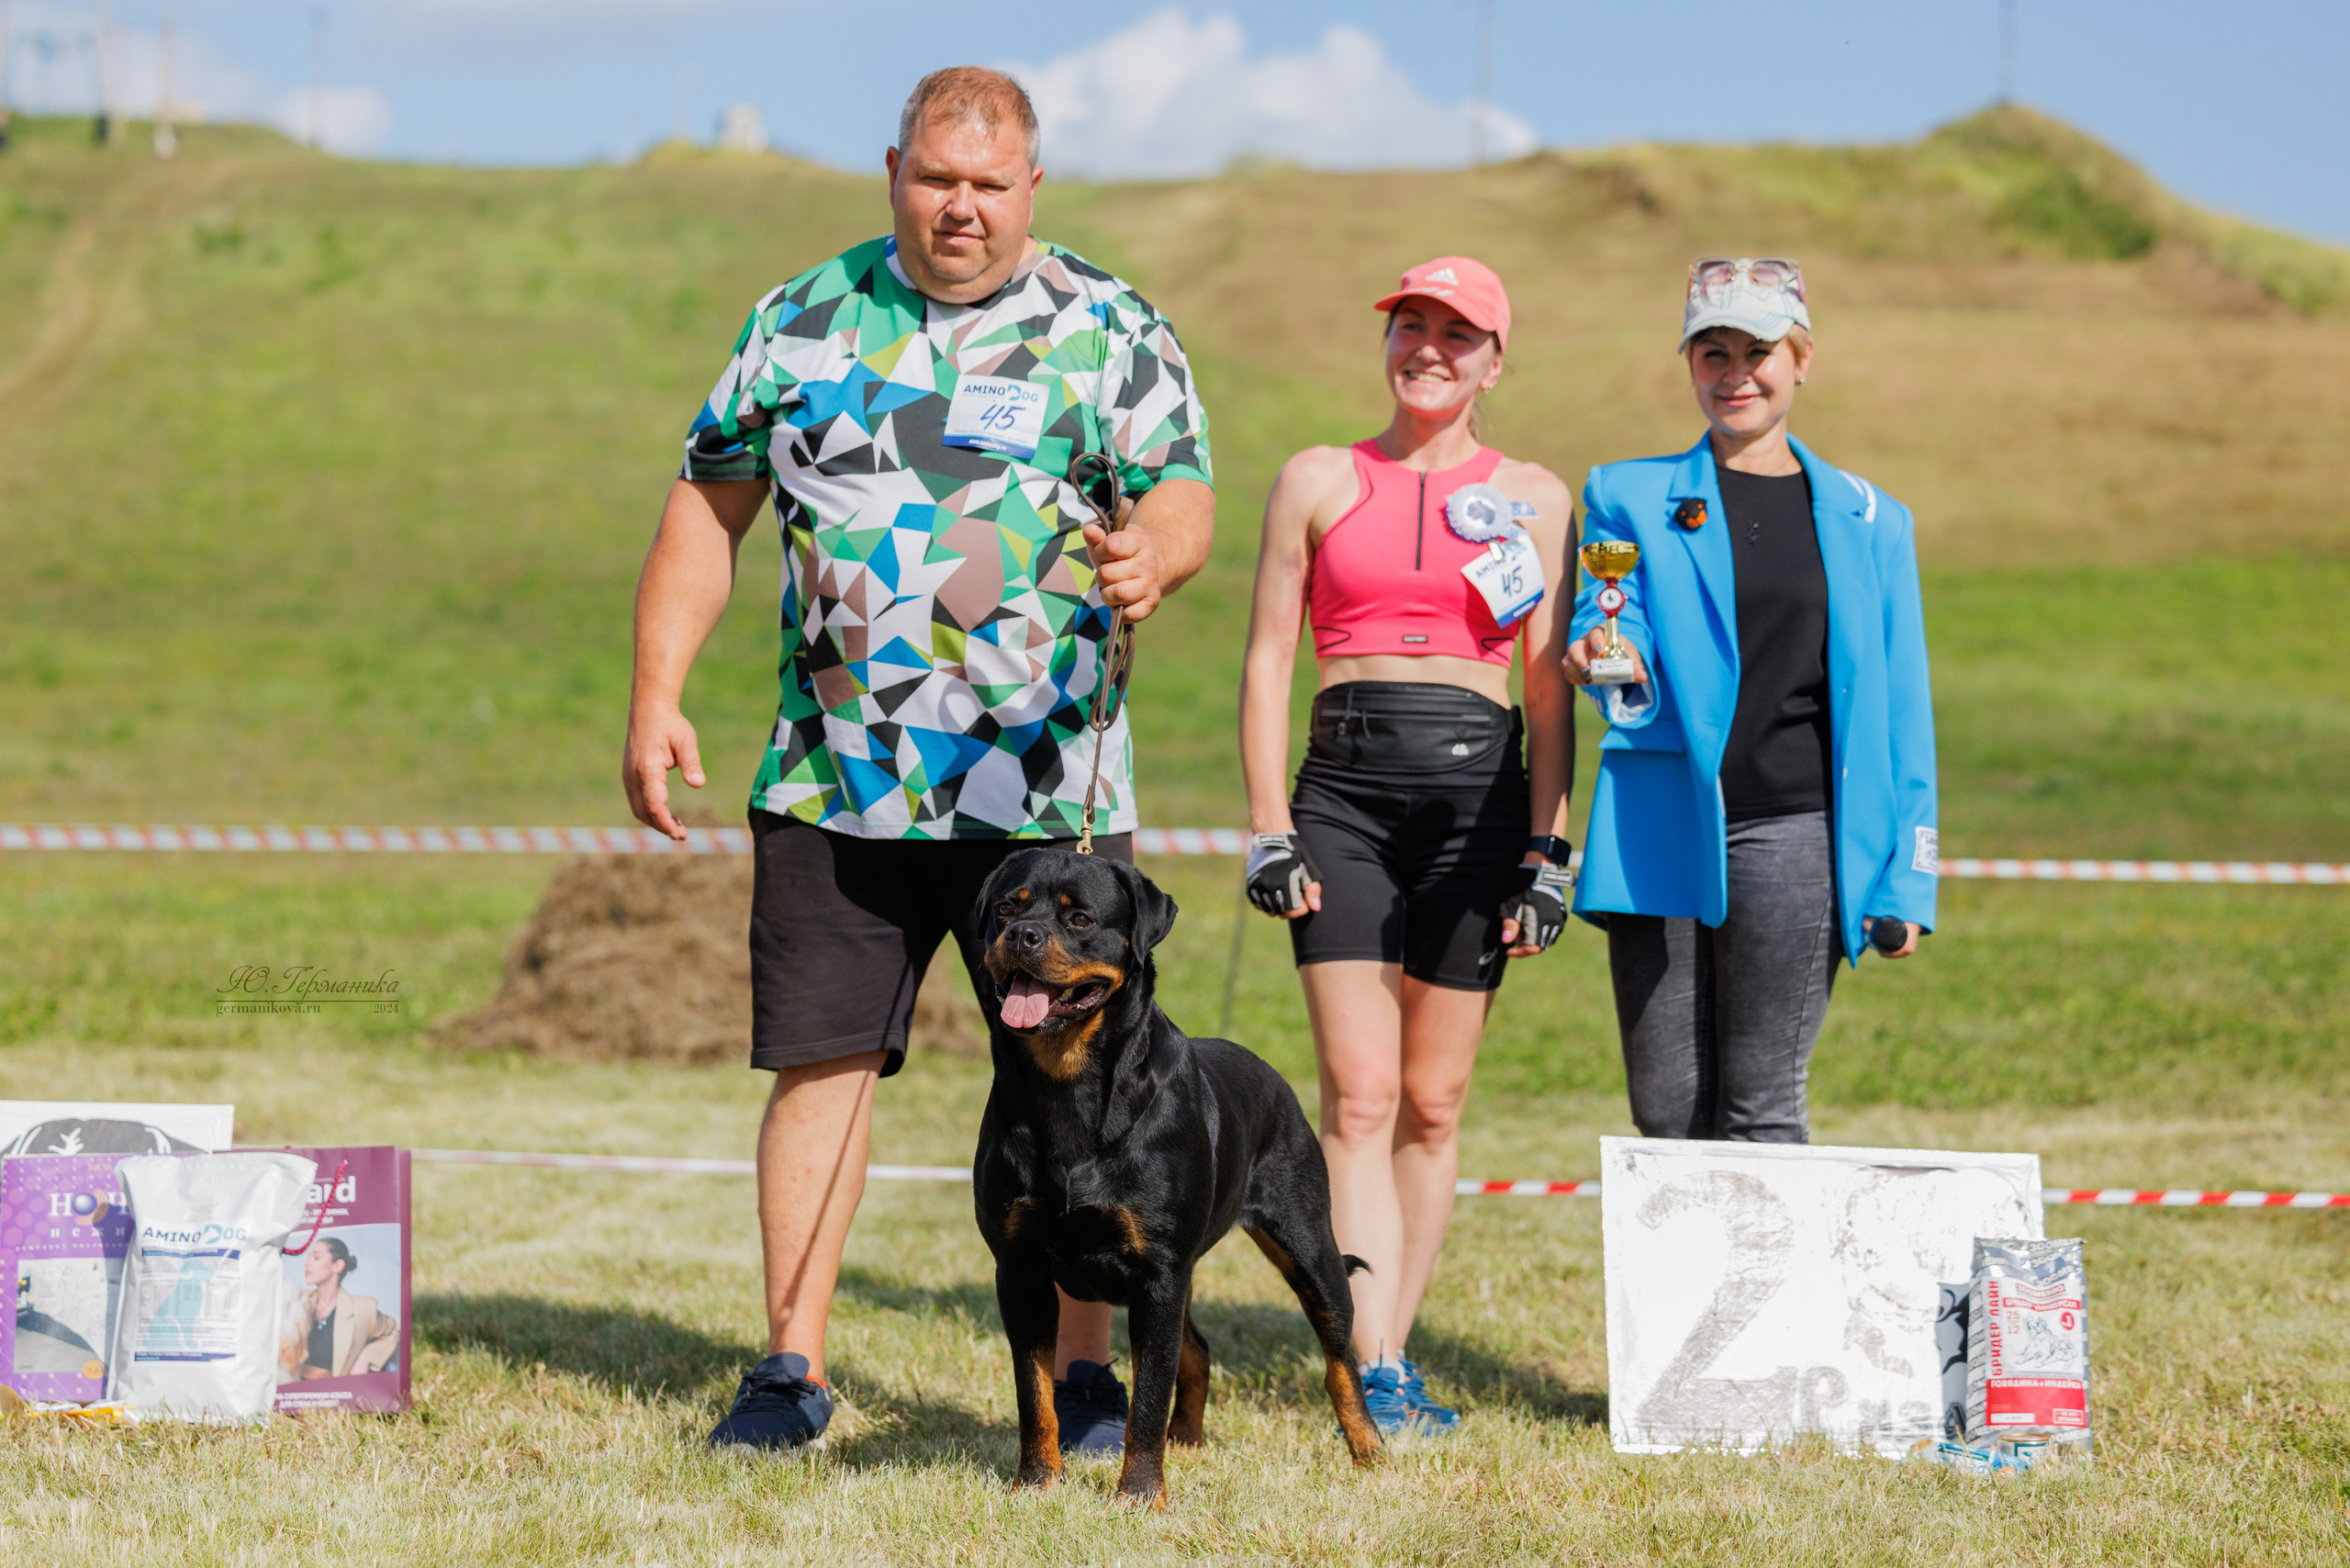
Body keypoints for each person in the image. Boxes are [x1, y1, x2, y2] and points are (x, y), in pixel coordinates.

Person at [624, 66, 1214, 1456]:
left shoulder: (1109, 327)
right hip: (839, 778)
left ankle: (1083, 1374)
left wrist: (1161, 551)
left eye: (988, 185)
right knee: (821, 1066)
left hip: (1046, 790)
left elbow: (1183, 483)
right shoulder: (803, 318)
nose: (961, 208)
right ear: (895, 170)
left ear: (1032, 188)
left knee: (1080, 1074)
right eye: (936, 179)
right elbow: (705, 514)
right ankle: (789, 1368)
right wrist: (657, 693)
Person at [1237, 257, 1575, 1436]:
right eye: (1410, 326)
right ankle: (1366, 1359)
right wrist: (1267, 829)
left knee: (1434, 1100)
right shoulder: (1318, 478)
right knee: (1362, 1093)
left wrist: (1549, 851)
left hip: (1479, 814)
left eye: (1457, 334)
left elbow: (1546, 692)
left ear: (1494, 358)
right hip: (1343, 801)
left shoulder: (1537, 495)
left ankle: (1397, 1352)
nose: (1428, 349)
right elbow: (1269, 658)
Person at [1565, 257, 1938, 1143]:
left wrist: (1910, 876)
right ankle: (1685, 1292)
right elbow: (1609, 614)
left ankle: (1773, 1291)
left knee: (1760, 1109)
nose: (1736, 375)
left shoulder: (1874, 518)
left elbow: (1903, 710)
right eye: (1713, 353)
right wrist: (1601, 652)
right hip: (1660, 825)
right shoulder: (1625, 494)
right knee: (1667, 1113)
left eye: (1758, 351)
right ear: (1688, 364)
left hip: (1797, 831)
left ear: (1803, 358)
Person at [278, 1237, 400, 1381]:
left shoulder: (363, 1308)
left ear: (338, 1266)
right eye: (308, 1257)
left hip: (336, 1395)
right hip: (294, 1394)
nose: (307, 1264)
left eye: (316, 1258)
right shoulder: (296, 1299)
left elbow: (394, 1331)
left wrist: (366, 1359)